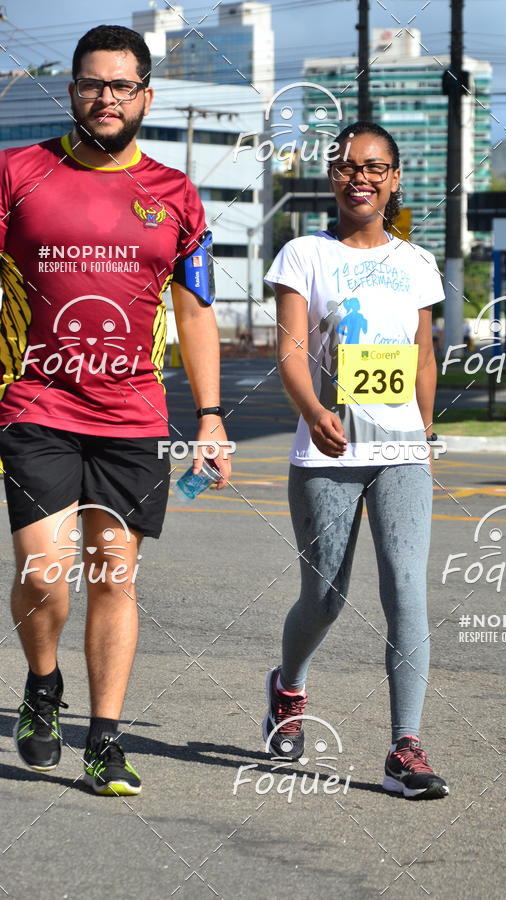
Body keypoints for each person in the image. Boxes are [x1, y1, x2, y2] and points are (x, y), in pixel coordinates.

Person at [0, 25, 231, 795]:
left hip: (133, 416)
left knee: (113, 576)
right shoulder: (17, 173)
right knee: (45, 573)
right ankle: (42, 683)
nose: (107, 98)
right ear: (72, 91)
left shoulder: (175, 194)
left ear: (145, 97)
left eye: (121, 85)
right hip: (36, 402)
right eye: (93, 84)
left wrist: (210, 415)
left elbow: (195, 311)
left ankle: (103, 740)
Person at [262, 122, 448, 800]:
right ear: (331, 176)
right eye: (346, 166)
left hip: (400, 452)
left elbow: (423, 357)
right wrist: (314, 411)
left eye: (375, 167)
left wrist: (423, 434)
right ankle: (288, 688)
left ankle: (405, 747)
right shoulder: (304, 254)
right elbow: (290, 349)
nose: (360, 178)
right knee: (325, 598)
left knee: (406, 591)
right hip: (326, 452)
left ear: (394, 179)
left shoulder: (416, 262)